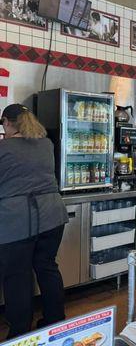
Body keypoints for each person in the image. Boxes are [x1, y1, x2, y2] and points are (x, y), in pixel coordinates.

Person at [0, 104, 68, 339]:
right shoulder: (45, 144)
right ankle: (55, 322)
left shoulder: (4, 148)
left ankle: (19, 334)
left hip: (19, 220)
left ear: (7, 122)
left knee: (17, 277)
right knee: (47, 268)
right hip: (53, 216)